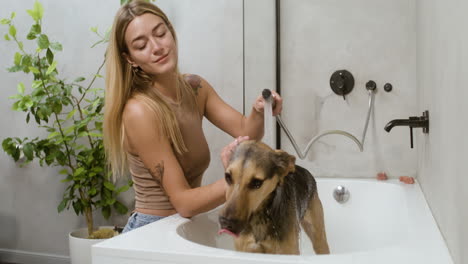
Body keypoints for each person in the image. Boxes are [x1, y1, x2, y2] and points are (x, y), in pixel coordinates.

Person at [103, 0, 282, 233]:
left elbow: (245, 131)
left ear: (170, 31)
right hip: (152, 231)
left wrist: (260, 110)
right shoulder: (140, 111)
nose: (157, 47)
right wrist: (238, 179)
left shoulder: (195, 88)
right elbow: (184, 203)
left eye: (160, 33)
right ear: (130, 59)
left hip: (185, 225)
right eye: (141, 45)